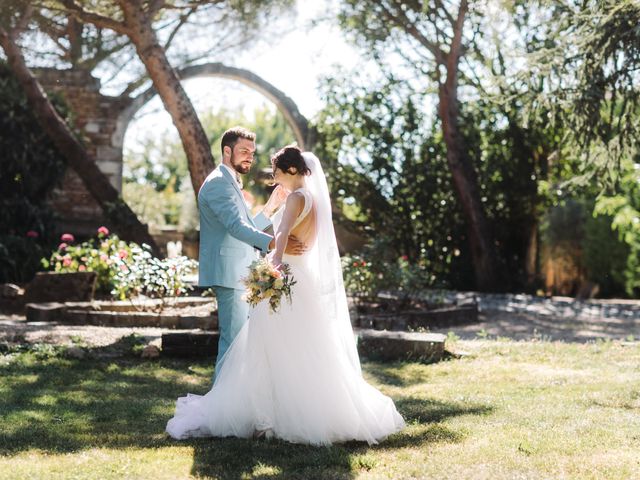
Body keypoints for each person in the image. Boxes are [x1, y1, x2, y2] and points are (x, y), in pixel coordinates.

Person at [167, 146, 405, 446]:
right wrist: (272, 215)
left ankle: (267, 415)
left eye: (277, 170)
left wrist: (274, 264)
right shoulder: (314, 199)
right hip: (303, 280)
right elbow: (287, 233)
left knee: (268, 346)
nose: (273, 175)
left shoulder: (296, 198)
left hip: (285, 277)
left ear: (291, 171)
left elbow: (281, 237)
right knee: (304, 347)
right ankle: (296, 410)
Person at [197, 127, 304, 375]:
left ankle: (229, 404)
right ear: (227, 150)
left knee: (240, 344)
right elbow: (236, 227)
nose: (249, 157)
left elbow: (244, 226)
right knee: (232, 342)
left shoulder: (229, 181)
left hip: (239, 271)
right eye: (244, 151)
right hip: (229, 272)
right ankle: (220, 408)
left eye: (252, 153)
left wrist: (270, 207)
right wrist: (278, 241)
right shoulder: (217, 183)